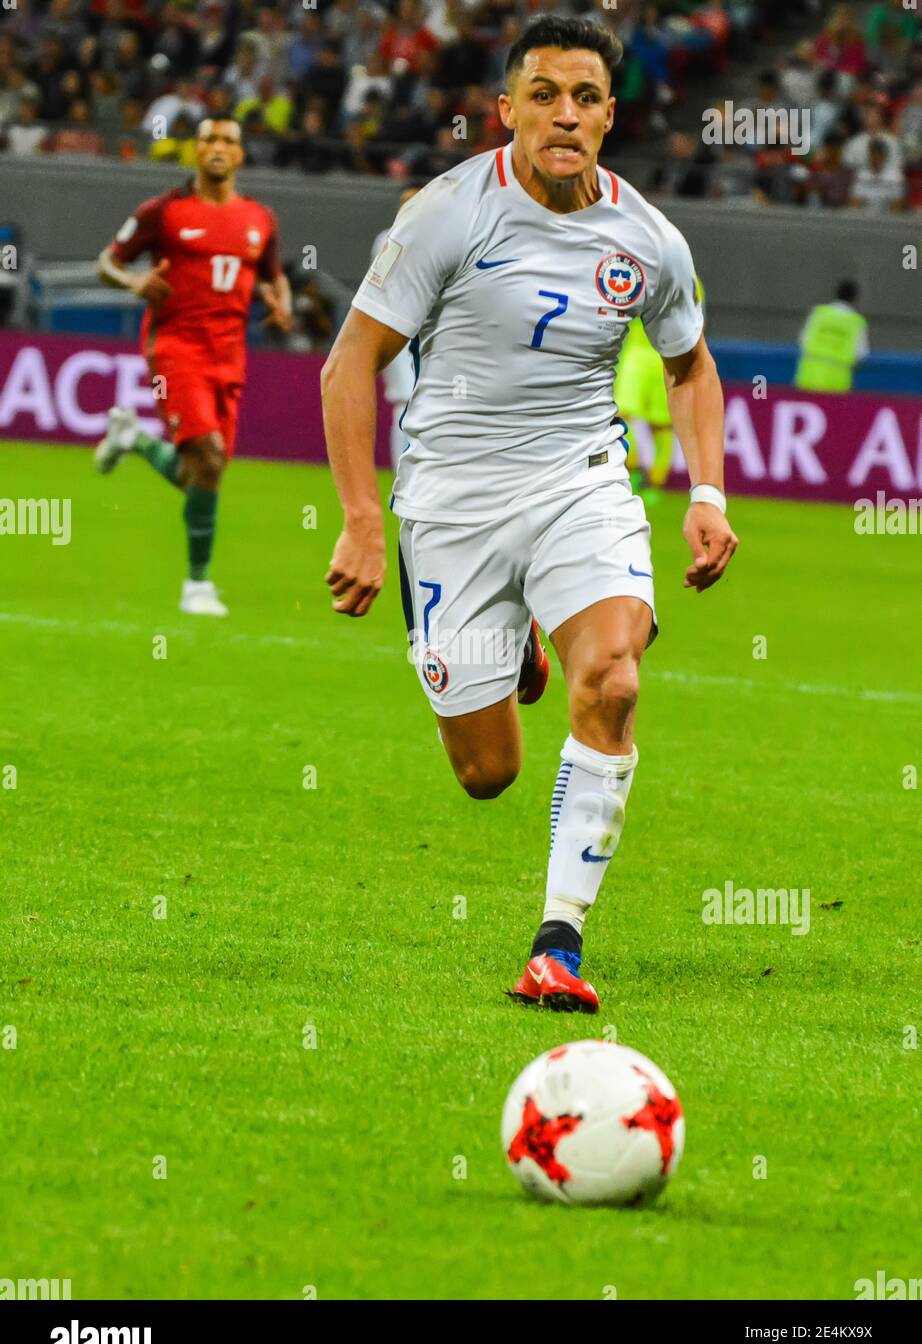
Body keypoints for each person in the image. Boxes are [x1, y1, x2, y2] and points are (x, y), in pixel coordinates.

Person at [320, 16, 737, 1013]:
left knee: (616, 676)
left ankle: (558, 942)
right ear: (505, 110)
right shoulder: (444, 214)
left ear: (608, 113)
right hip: (451, 503)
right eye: (543, 94)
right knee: (487, 773)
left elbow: (689, 368)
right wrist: (360, 519)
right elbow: (348, 364)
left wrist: (707, 494)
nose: (564, 114)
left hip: (578, 481)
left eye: (584, 96)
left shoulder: (647, 240)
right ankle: (511, 652)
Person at [93, 116, 293, 615]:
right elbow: (107, 262)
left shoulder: (260, 219)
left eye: (228, 141)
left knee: (203, 472)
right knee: (206, 454)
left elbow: (273, 276)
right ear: (195, 152)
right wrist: (133, 283)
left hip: (229, 358)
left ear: (241, 155)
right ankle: (197, 586)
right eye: (209, 140)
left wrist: (281, 301)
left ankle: (132, 440)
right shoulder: (164, 212)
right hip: (174, 350)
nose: (218, 148)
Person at [615, 274, 706, 504]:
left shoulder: (689, 278)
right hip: (638, 355)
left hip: (665, 357)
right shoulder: (639, 271)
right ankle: (635, 469)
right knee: (622, 414)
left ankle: (654, 482)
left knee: (661, 425)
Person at [369, 180, 426, 468]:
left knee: (425, 408)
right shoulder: (387, 239)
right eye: (405, 203)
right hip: (398, 335)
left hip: (428, 337)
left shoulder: (439, 240)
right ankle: (401, 477)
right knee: (405, 404)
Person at [795, 280, 869, 393]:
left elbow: (803, 341)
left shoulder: (818, 313)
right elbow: (860, 354)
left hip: (809, 377)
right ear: (854, 298)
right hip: (837, 383)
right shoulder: (856, 323)